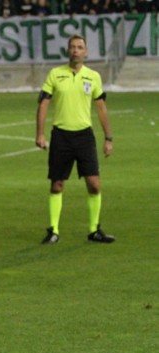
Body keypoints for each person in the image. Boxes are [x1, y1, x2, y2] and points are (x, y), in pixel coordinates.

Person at [36, 34, 115, 245]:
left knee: (95, 185)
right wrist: (40, 133)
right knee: (57, 185)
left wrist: (108, 137)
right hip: (61, 135)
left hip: (84, 136)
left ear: (86, 52)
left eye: (80, 47)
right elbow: (43, 104)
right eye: (72, 47)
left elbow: (101, 108)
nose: (75, 50)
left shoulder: (93, 77)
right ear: (68, 50)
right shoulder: (55, 74)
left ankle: (94, 230)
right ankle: (53, 230)